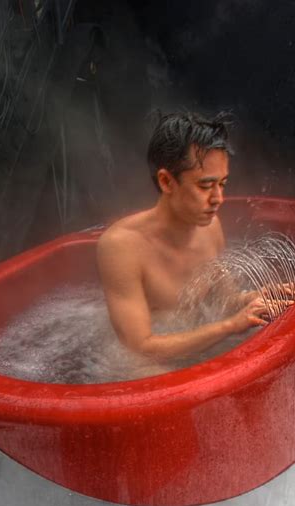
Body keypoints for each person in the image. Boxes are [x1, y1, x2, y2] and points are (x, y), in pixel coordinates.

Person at [97, 111, 274, 361]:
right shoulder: (122, 246)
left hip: (198, 346)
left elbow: (225, 300)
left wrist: (257, 298)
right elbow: (139, 347)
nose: (218, 199)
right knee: (143, 374)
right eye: (205, 186)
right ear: (167, 182)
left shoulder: (211, 227)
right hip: (143, 363)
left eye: (222, 184)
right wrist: (229, 326)